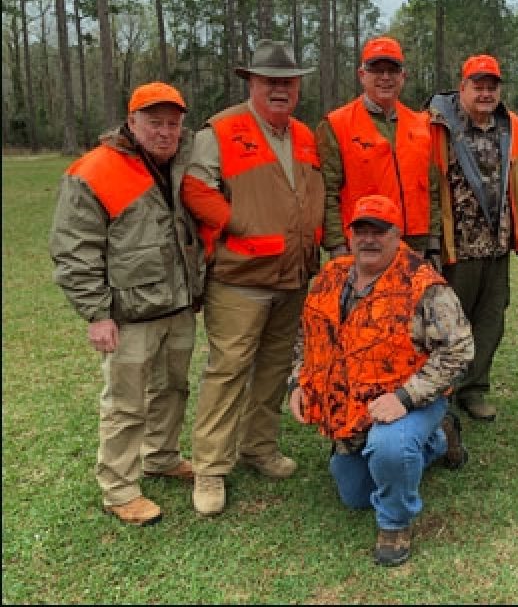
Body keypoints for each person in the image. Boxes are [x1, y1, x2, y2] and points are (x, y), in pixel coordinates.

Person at [180, 39, 325, 516]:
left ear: (297, 86)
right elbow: (197, 189)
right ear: (252, 83)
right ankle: (209, 468)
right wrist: (239, 223)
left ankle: (258, 447)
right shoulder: (221, 129)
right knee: (228, 370)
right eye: (270, 82)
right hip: (241, 278)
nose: (280, 89)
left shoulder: (303, 134)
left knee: (273, 368)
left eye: (287, 82)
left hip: (292, 277)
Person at [49, 81, 204, 526]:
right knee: (125, 402)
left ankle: (161, 456)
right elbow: (73, 248)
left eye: (173, 124)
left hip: (176, 306)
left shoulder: (181, 163)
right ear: (131, 122)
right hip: (129, 313)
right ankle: (118, 488)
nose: (164, 132)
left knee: (172, 390)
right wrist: (97, 314)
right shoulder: (93, 171)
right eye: (154, 122)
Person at [290, 194, 473, 568]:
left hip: (406, 398)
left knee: (390, 447)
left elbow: (459, 351)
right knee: (355, 493)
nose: (369, 239)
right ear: (350, 234)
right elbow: (308, 335)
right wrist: (298, 381)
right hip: (353, 403)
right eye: (361, 231)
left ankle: (394, 524)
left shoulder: (425, 285)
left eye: (380, 231)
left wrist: (405, 398)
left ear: (397, 235)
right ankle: (438, 439)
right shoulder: (331, 276)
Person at [426, 54, 518, 421]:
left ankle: (475, 388)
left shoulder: (512, 126)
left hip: (497, 246)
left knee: (490, 321)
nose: (486, 93)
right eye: (478, 85)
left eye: (492, 86)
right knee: (446, 323)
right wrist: (431, 242)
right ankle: (439, 392)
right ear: (462, 88)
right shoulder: (437, 125)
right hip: (457, 246)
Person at [317, 35, 441, 259]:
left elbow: (431, 189)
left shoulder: (421, 123)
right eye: (377, 70)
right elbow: (328, 192)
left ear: (403, 76)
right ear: (362, 75)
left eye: (392, 71)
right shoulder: (337, 124)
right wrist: (337, 247)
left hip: (414, 246)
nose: (385, 78)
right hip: (364, 245)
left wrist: (433, 242)